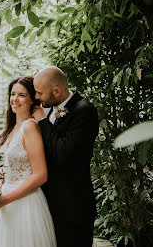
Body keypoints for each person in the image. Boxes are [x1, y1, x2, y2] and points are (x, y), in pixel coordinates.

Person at [32, 66, 99, 247]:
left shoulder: (84, 110)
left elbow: (63, 154)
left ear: (56, 91)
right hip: (51, 206)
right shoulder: (51, 108)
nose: (36, 98)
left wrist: (43, 122)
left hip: (73, 209)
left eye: (39, 93)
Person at [0, 76, 56, 247]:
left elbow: (41, 175)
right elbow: (9, 167)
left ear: (31, 99)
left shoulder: (30, 127)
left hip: (25, 204)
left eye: (21, 95)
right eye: (12, 94)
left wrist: (6, 199)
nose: (15, 99)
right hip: (7, 204)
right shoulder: (12, 129)